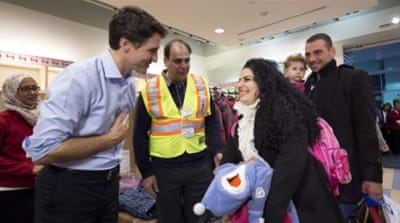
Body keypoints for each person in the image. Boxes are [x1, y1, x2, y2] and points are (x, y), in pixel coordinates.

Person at [22, 6, 167, 223]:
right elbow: (43, 151)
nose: (155, 58)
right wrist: (108, 140)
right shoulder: (79, 78)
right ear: (125, 44)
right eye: (151, 50)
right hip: (69, 190)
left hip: (108, 187)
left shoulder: (128, 85)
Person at [221, 58, 344, 223]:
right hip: (260, 207)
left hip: (302, 207)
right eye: (240, 79)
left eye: (247, 79)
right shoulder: (240, 125)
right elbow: (228, 166)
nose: (239, 85)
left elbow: (286, 176)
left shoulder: (288, 119)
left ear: (264, 83)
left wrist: (266, 217)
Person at [133, 39, 223, 223]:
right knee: (169, 218)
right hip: (165, 168)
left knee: (200, 216)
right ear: (165, 61)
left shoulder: (201, 85)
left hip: (199, 164)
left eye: (187, 60)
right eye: (177, 61)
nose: (183, 66)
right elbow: (139, 135)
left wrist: (218, 150)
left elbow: (212, 120)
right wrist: (146, 172)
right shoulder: (150, 90)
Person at [304, 33, 383, 219]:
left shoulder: (353, 78)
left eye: (318, 52)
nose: (312, 59)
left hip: (346, 178)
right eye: (308, 54)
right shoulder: (308, 85)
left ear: (332, 52)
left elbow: (367, 131)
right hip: (315, 180)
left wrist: (372, 176)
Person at [0, 74, 43, 223]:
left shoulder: (44, 118)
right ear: (12, 92)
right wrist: (30, 169)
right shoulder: (3, 120)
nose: (32, 93)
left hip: (41, 187)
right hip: (11, 190)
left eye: (34, 88)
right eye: (25, 89)